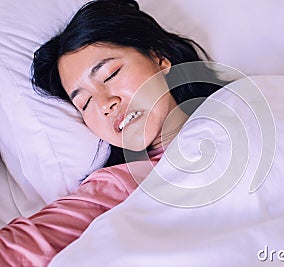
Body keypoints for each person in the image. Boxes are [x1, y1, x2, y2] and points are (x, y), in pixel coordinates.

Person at [0, 0, 228, 265]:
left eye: (110, 75)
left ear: (159, 58)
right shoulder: (119, 185)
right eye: (84, 103)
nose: (105, 104)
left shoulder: (252, 101)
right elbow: (21, 248)